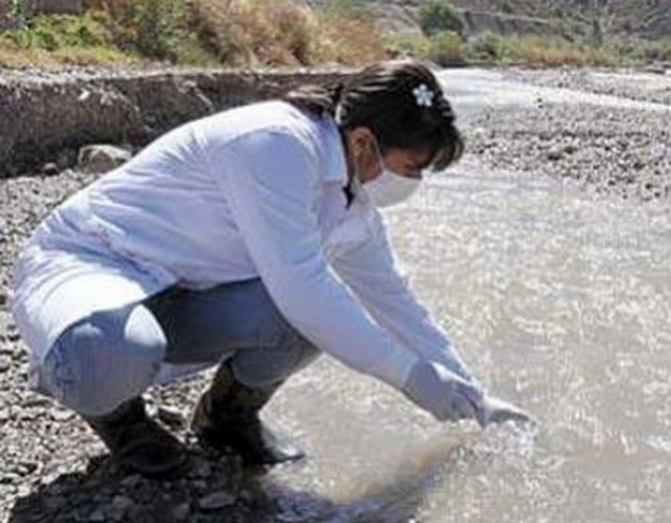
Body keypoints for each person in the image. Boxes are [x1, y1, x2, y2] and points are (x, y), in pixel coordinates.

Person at [11, 59, 530, 479]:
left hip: (181, 289)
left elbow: (395, 301)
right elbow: (303, 286)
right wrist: (413, 379)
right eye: (412, 168)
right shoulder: (276, 143)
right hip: (91, 265)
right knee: (107, 353)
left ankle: (226, 418)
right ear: (365, 142)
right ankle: (120, 419)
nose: (414, 183)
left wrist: (472, 394)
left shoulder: (353, 205)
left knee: (304, 322)